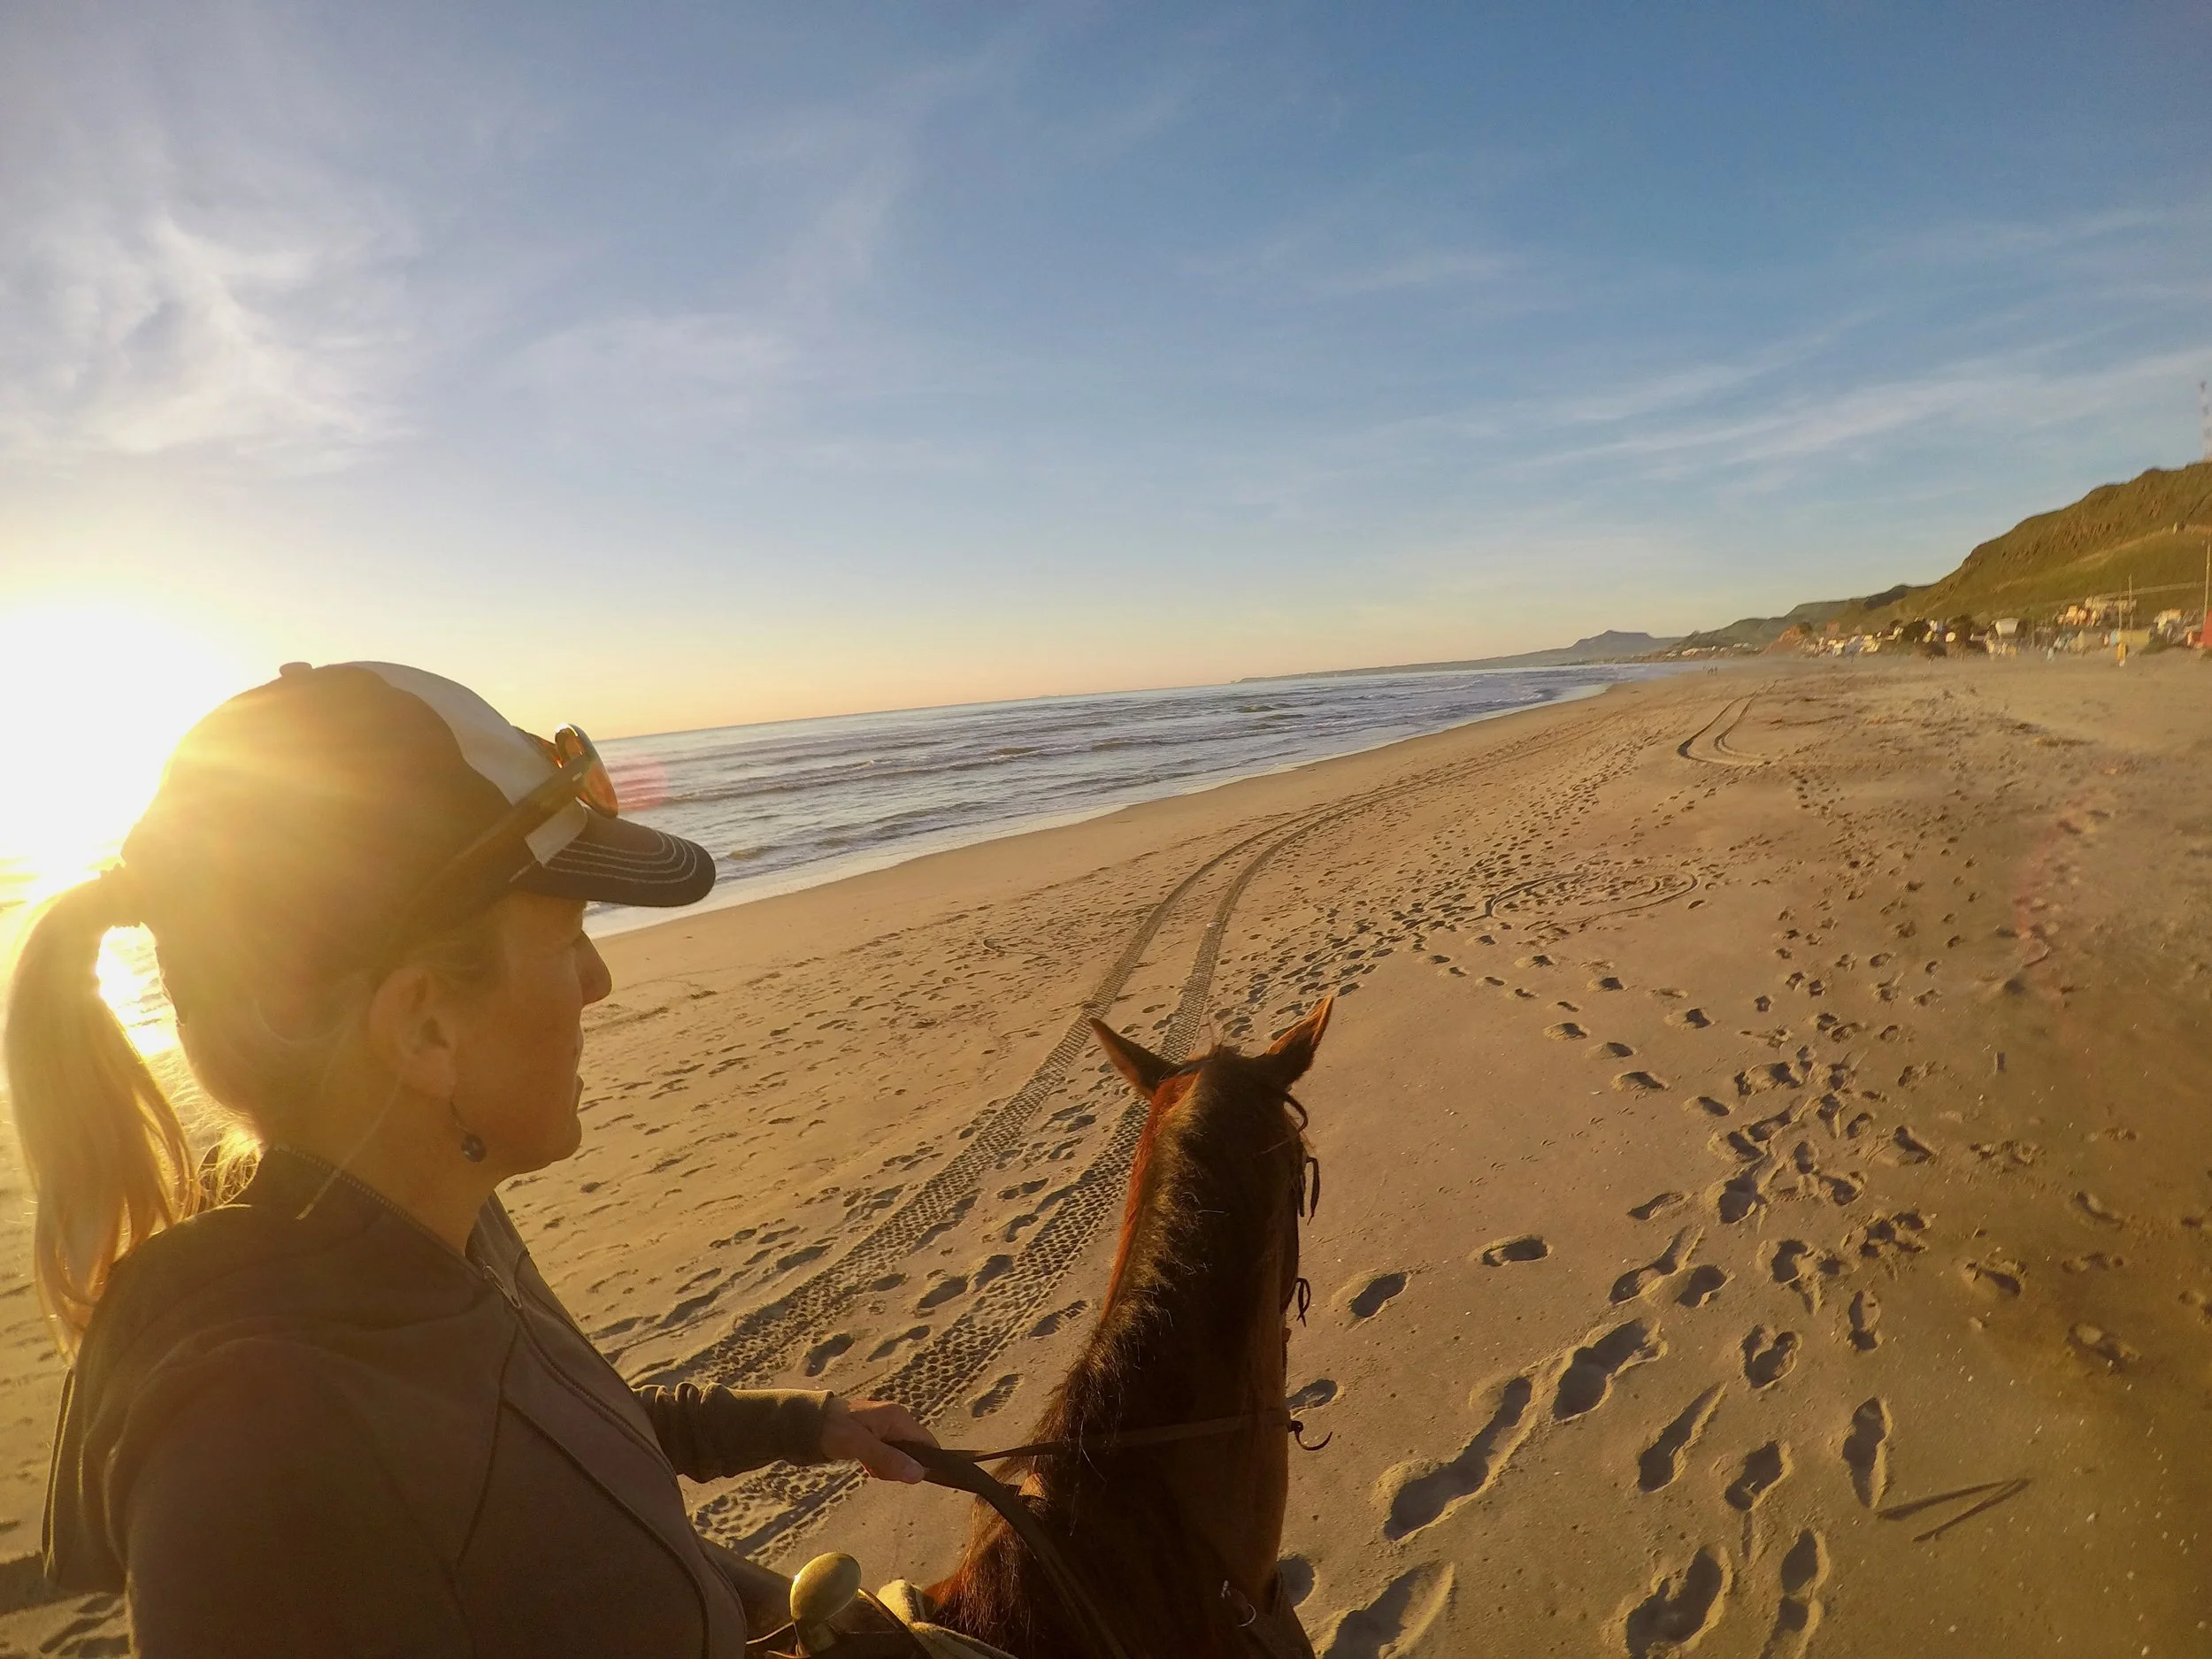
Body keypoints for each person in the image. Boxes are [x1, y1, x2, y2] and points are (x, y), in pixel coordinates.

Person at [3, 661, 937, 1655]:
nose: (598, 980)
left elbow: (551, 1433)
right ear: (425, 1027)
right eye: (569, 934)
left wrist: (799, 1425)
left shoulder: (429, 1229)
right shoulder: (263, 1451)